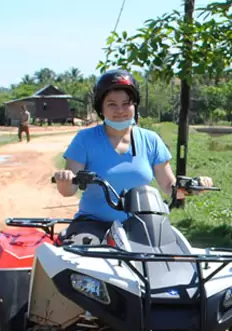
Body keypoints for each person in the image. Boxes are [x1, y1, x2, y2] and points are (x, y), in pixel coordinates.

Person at [52, 69, 211, 238]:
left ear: (135, 106)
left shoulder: (151, 140)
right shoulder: (85, 139)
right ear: (101, 108)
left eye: (126, 103)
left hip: (141, 225)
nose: (120, 110)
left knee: (166, 254)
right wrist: (65, 179)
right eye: (112, 104)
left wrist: (193, 187)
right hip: (94, 226)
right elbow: (68, 190)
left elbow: (168, 186)